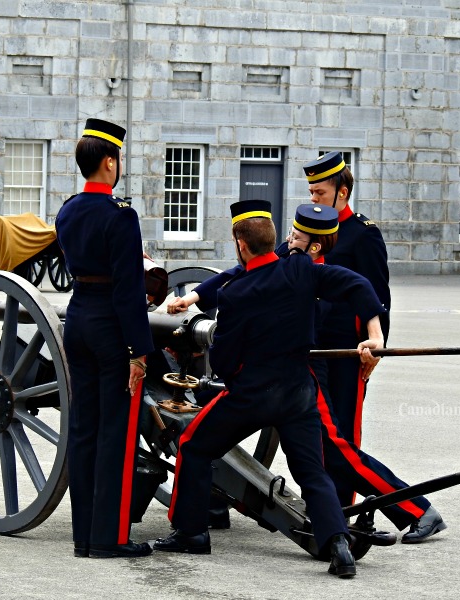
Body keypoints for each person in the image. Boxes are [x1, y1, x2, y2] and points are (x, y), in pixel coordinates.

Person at [168, 192, 444, 543]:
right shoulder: (295, 255)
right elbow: (244, 269)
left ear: (315, 245)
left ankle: (414, 509)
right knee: (325, 453)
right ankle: (347, 522)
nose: (288, 240)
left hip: (335, 357)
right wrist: (193, 297)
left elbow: (372, 290)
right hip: (302, 362)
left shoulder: (360, 237)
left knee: (334, 448)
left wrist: (377, 339)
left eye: (296, 237)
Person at [154, 200, 387, 579]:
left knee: (193, 446)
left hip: (251, 394)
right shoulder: (301, 270)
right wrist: (374, 334)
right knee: (312, 471)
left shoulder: (236, 293)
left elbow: (226, 361)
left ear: (241, 245)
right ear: (275, 240)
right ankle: (339, 545)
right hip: (298, 390)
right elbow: (357, 284)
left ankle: (191, 532)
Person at [302, 152, 444, 543]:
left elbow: (379, 296)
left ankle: (388, 510)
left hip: (351, 349)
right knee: (325, 437)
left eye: (321, 191)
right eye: (310, 191)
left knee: (343, 437)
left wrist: (378, 347)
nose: (314, 198)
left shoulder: (363, 234)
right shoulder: (313, 231)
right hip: (315, 347)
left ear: (342, 192)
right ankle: (336, 512)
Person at [55, 118, 154, 559]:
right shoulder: (121, 216)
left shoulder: (68, 210)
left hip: (78, 319)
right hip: (112, 329)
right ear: (110, 163)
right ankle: (109, 538)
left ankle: (82, 537)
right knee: (116, 432)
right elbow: (130, 291)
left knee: (83, 430)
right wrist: (139, 350)